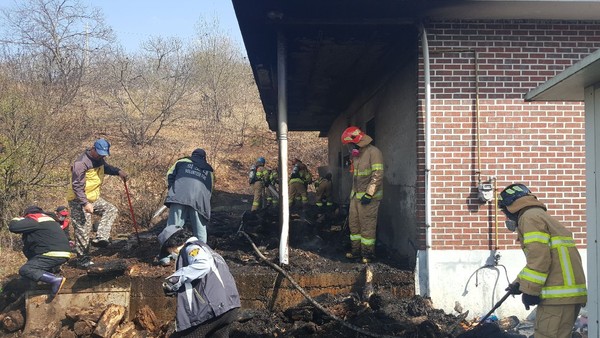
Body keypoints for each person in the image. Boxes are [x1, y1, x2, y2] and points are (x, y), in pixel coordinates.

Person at [499, 183, 587, 338]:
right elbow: (543, 258)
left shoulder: (529, 218)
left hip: (557, 296)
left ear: (510, 207)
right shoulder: (538, 215)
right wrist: (519, 283)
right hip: (565, 295)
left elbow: (539, 259)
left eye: (504, 211)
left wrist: (530, 291)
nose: (506, 216)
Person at [159, 225, 241, 337]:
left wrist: (175, 280)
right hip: (230, 306)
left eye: (168, 250)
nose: (170, 254)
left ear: (172, 244)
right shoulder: (208, 249)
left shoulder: (191, 248)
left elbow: (203, 265)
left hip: (213, 309)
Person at [67, 138, 128, 268]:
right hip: (79, 200)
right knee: (83, 229)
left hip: (93, 198)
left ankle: (101, 238)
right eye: (99, 153)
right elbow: (76, 186)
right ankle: (82, 259)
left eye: (103, 154)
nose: (101, 155)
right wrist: (85, 203)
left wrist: (118, 171)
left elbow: (105, 167)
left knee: (110, 209)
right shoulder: (81, 163)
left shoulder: (98, 159)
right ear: (93, 148)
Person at [341, 126, 384, 263]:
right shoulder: (357, 155)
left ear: (356, 141)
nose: (349, 148)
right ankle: (356, 252)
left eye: (349, 144)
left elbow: (377, 175)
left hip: (368, 199)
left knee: (367, 227)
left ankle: (367, 254)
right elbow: (356, 176)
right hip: (355, 197)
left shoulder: (374, 152)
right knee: (354, 225)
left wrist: (369, 194)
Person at [9, 206, 71, 298]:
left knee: (26, 270)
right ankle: (51, 279)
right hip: (61, 252)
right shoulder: (49, 220)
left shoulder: (35, 218)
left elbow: (14, 227)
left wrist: (17, 218)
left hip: (52, 253)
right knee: (32, 271)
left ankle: (55, 280)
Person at [165, 148, 214, 244]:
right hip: (198, 200)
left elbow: (169, 175)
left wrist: (173, 189)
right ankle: (202, 251)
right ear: (204, 158)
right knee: (200, 228)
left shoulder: (181, 162)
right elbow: (209, 189)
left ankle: (167, 256)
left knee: (173, 227)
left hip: (179, 196)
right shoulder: (209, 170)